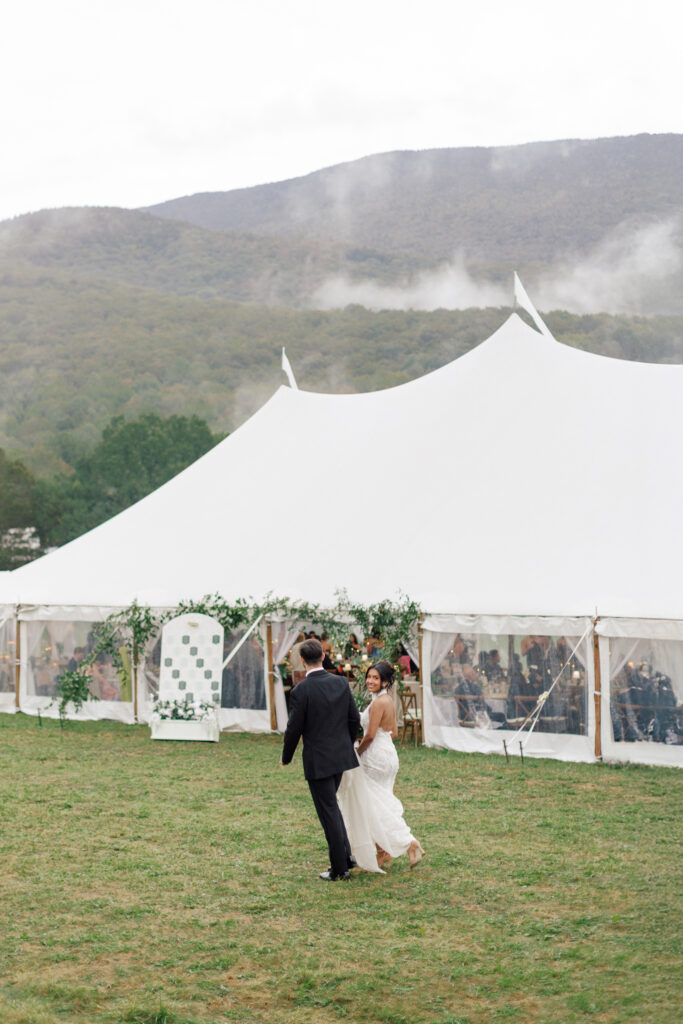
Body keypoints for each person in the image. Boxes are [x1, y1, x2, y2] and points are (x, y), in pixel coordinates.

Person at [280, 638, 361, 882]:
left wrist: (286, 757)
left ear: (302, 660)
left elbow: (294, 728)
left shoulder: (301, 690)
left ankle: (339, 868)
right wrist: (345, 744)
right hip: (340, 756)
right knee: (332, 807)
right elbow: (354, 719)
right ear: (323, 657)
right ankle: (346, 857)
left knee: (328, 811)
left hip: (319, 760)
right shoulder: (340, 682)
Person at [338, 661, 425, 871]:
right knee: (379, 801)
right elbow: (393, 732)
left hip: (375, 756)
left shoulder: (378, 703)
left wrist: (356, 753)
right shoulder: (387, 700)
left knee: (371, 803)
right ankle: (384, 850)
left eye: (375, 678)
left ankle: (406, 842)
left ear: (385, 682)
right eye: (369, 676)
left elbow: (370, 736)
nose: (370, 681)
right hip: (388, 753)